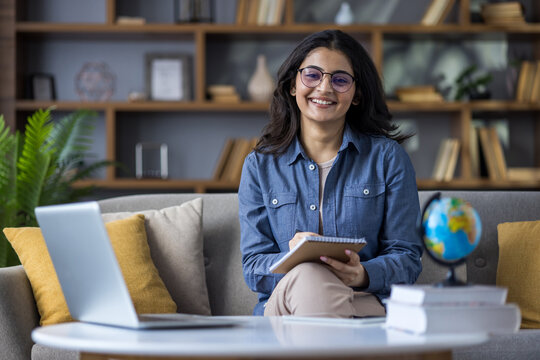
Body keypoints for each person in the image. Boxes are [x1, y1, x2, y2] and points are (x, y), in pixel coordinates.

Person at [238, 29, 423, 317]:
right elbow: (253, 268)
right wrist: (296, 261)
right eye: (312, 75)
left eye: (339, 80)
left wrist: (361, 275)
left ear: (357, 95)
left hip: (361, 302)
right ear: (292, 85)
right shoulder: (259, 166)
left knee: (317, 285)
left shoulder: (387, 158)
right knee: (309, 277)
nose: (324, 88)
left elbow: (407, 258)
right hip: (285, 306)